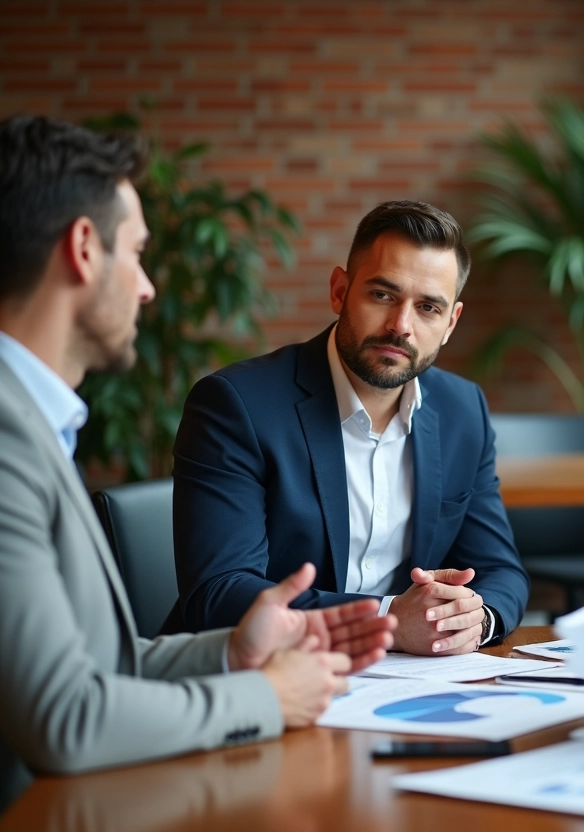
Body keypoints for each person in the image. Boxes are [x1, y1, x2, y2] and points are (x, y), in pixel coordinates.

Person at [0, 115, 395, 813]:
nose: (149, 287)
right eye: (139, 253)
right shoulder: (8, 437)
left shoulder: (38, 420)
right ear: (84, 249)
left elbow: (98, 667)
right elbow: (67, 720)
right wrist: (265, 696)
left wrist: (231, 653)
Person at [172, 200, 529, 656]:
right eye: (382, 295)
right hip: (260, 676)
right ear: (340, 291)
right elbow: (218, 593)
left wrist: (475, 619)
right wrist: (388, 619)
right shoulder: (236, 405)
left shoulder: (463, 410)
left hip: (404, 684)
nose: (401, 326)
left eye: (427, 308)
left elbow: (501, 571)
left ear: (450, 323)